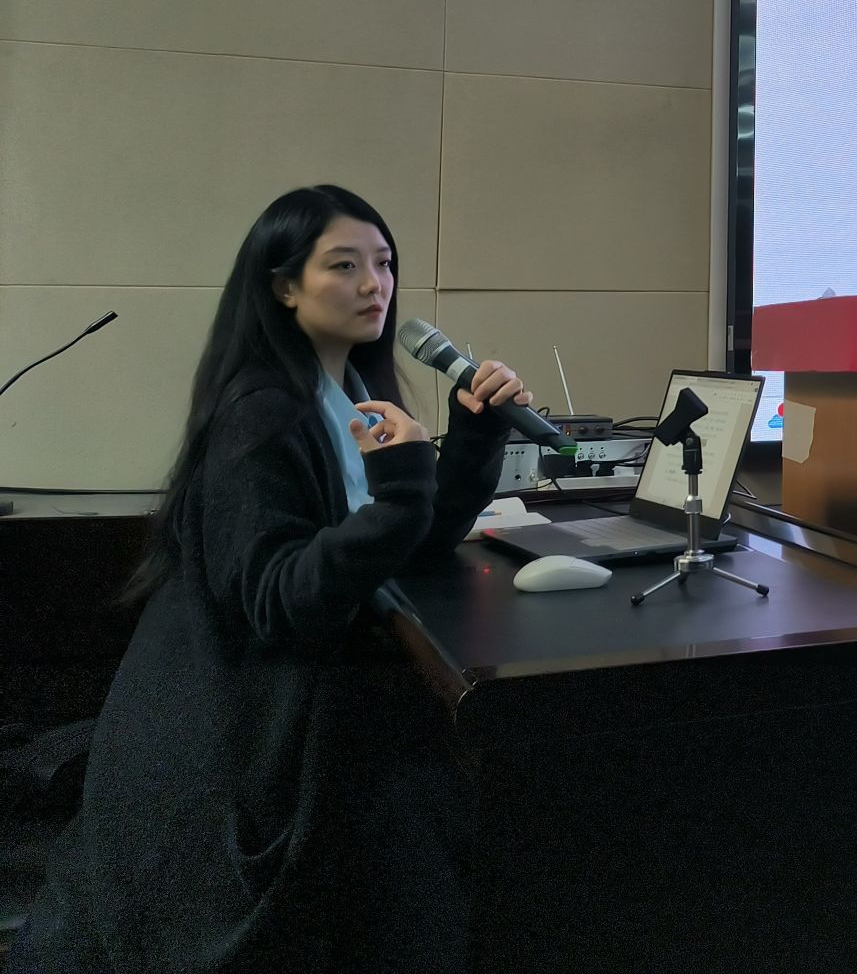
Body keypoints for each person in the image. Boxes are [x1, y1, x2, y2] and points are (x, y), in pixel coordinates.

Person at [13, 185, 531, 973]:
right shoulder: (261, 413)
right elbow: (283, 602)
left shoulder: (349, 394)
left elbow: (403, 548)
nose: (375, 285)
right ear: (284, 286)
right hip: (242, 744)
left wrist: (473, 439)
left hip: (305, 707)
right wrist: (400, 491)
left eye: (384, 263)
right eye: (344, 265)